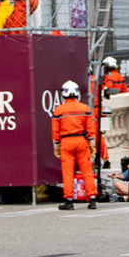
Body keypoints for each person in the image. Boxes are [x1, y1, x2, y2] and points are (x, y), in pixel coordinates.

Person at [49, 79, 97, 209]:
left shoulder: (59, 111)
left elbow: (55, 132)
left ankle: (69, 200)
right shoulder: (84, 108)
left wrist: (56, 147)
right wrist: (92, 145)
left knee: (68, 172)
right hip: (81, 140)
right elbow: (90, 129)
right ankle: (92, 198)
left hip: (66, 141)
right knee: (87, 170)